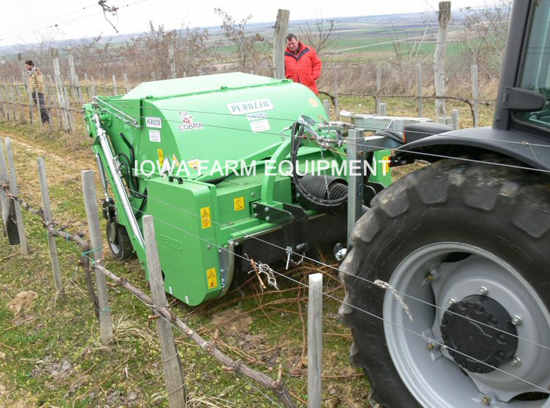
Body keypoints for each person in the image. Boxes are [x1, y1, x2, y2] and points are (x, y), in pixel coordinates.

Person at [24, 60, 50, 124]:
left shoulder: (37, 72)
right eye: (26, 66)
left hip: (39, 92)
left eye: (27, 66)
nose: (26, 67)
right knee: (39, 107)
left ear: (31, 65)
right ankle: (43, 121)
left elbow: (40, 82)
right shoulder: (30, 73)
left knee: (42, 106)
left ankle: (48, 120)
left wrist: (37, 90)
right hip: (33, 92)